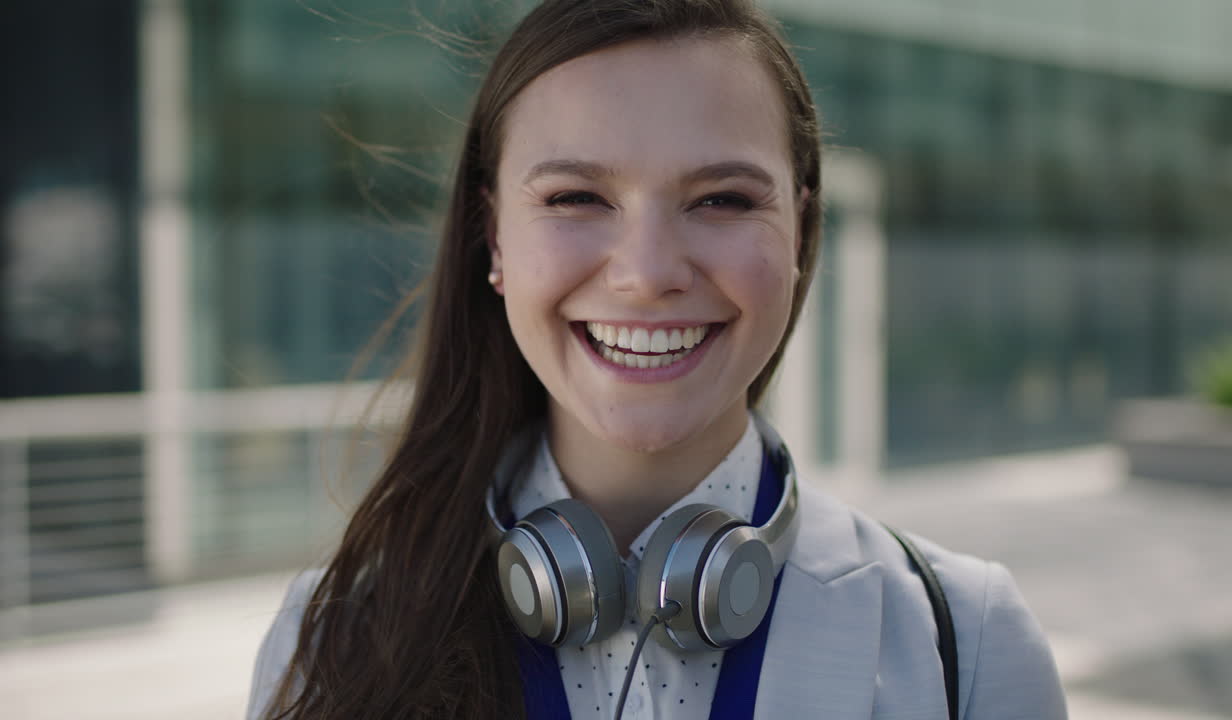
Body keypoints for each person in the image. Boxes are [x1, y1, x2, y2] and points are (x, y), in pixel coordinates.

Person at [248, 0, 1069, 718]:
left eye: (722, 200)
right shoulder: (330, 640)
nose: (646, 275)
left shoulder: (967, 643)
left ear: (800, 233)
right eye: (576, 197)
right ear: (493, 235)